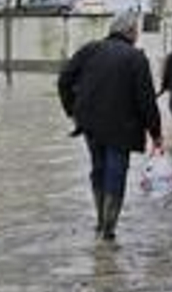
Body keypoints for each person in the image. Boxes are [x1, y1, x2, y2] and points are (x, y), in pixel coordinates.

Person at [57, 12, 162, 241]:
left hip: (90, 124)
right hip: (123, 127)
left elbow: (64, 78)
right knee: (116, 172)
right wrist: (156, 132)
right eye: (135, 31)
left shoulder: (89, 50)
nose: (137, 35)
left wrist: (72, 110)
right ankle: (109, 227)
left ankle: (100, 220)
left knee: (99, 168)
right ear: (129, 32)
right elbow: (146, 99)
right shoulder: (135, 57)